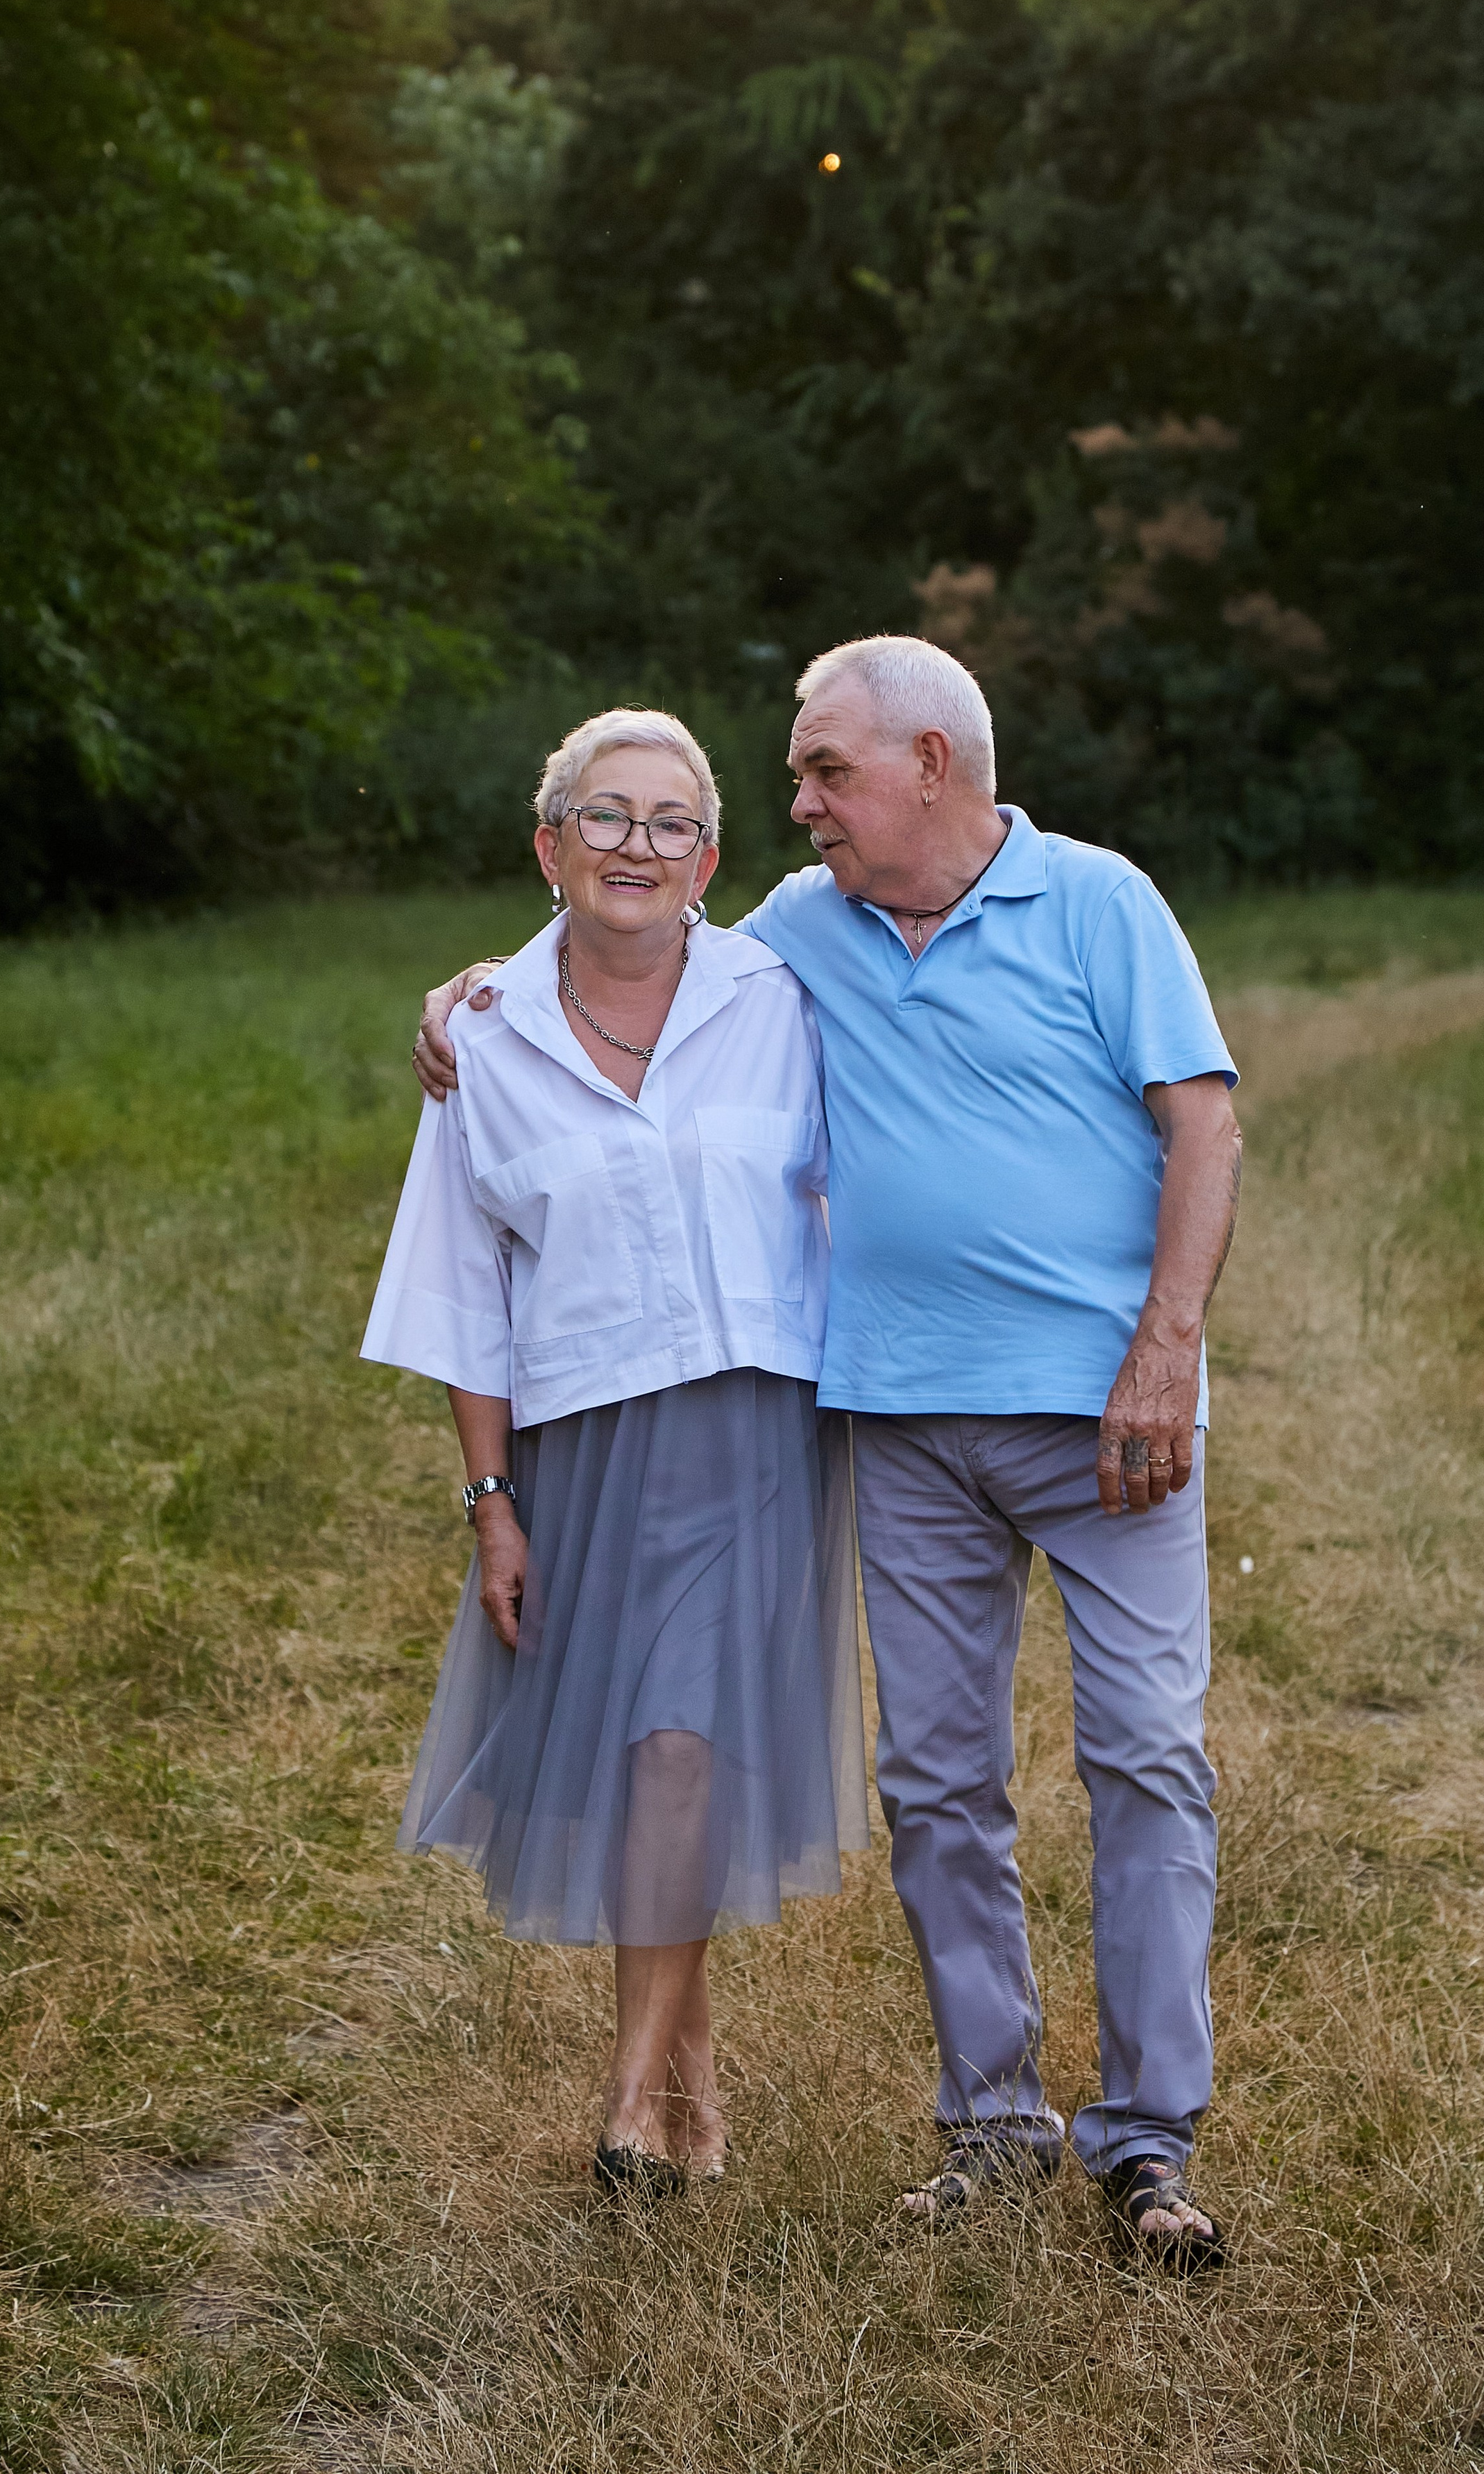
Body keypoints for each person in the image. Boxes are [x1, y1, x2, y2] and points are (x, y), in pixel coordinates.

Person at [415, 638, 1241, 2269]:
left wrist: (1165, 1348)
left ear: (929, 763)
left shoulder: (1097, 904)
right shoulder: (801, 933)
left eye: (823, 774)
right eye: (792, 780)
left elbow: (1201, 1124)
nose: (799, 805)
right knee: (936, 1779)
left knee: (1144, 1757)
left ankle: (1146, 2144)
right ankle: (992, 2126)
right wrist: (465, 997)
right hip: (902, 1415)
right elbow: (622, 931)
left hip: (1107, 1419)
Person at [366, 706, 866, 2197]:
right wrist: (490, 1502)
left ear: (710, 859)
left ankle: (630, 2100)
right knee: (664, 1756)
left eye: (666, 823)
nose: (634, 846)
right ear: (549, 842)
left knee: (673, 1747)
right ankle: (696, 2088)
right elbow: (464, 1297)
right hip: (582, 1440)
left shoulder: (782, 994)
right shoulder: (485, 1039)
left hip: (757, 1422)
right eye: (604, 815)